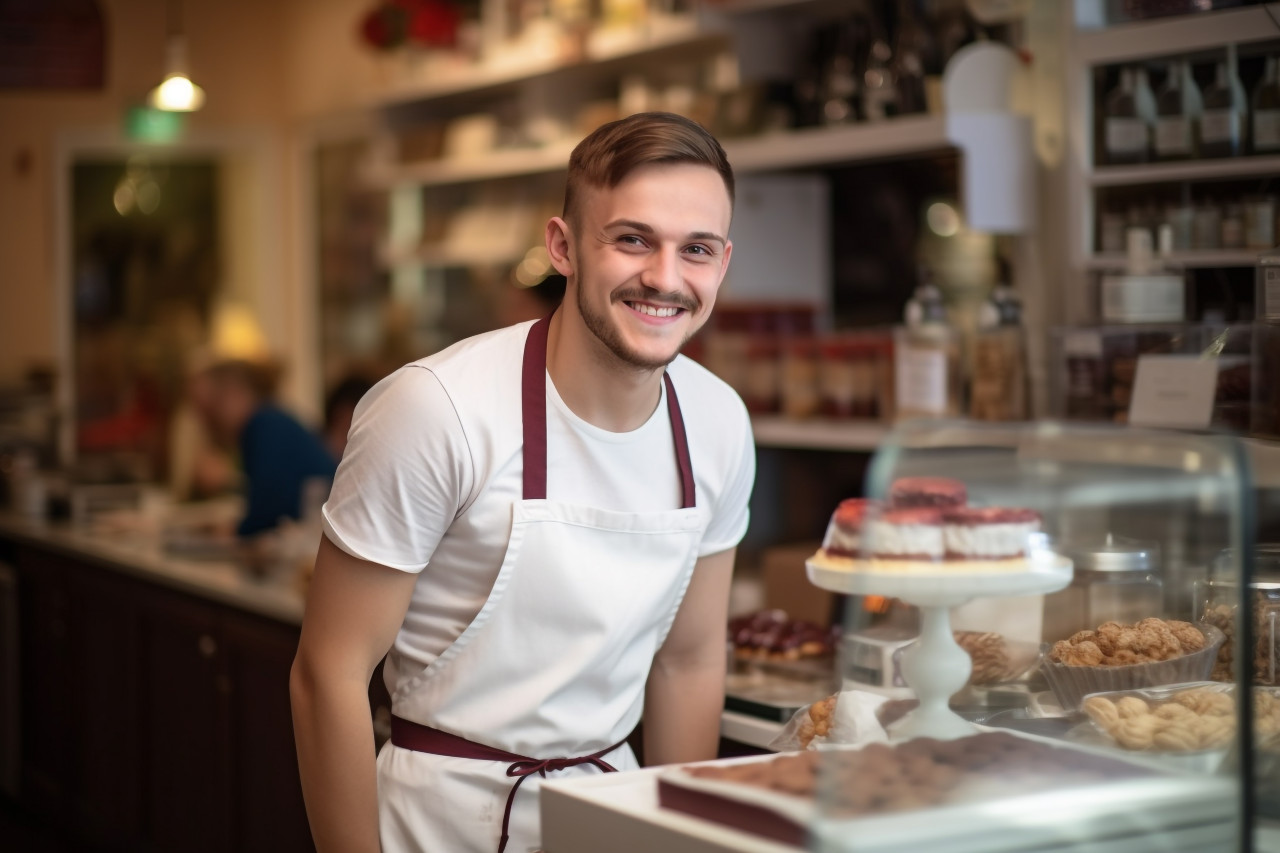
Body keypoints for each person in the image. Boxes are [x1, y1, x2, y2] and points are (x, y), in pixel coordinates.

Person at [290, 111, 756, 853]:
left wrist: (681, 841)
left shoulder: (719, 422)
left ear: (722, 263)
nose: (666, 278)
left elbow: (689, 659)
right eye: (632, 239)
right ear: (563, 247)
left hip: (613, 815)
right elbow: (329, 672)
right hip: (437, 822)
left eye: (694, 250)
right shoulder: (435, 409)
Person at [191, 358, 338, 538]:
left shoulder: (264, 424)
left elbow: (268, 507)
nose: (207, 423)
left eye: (211, 408)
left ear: (235, 392)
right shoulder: (271, 421)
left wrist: (235, 530)